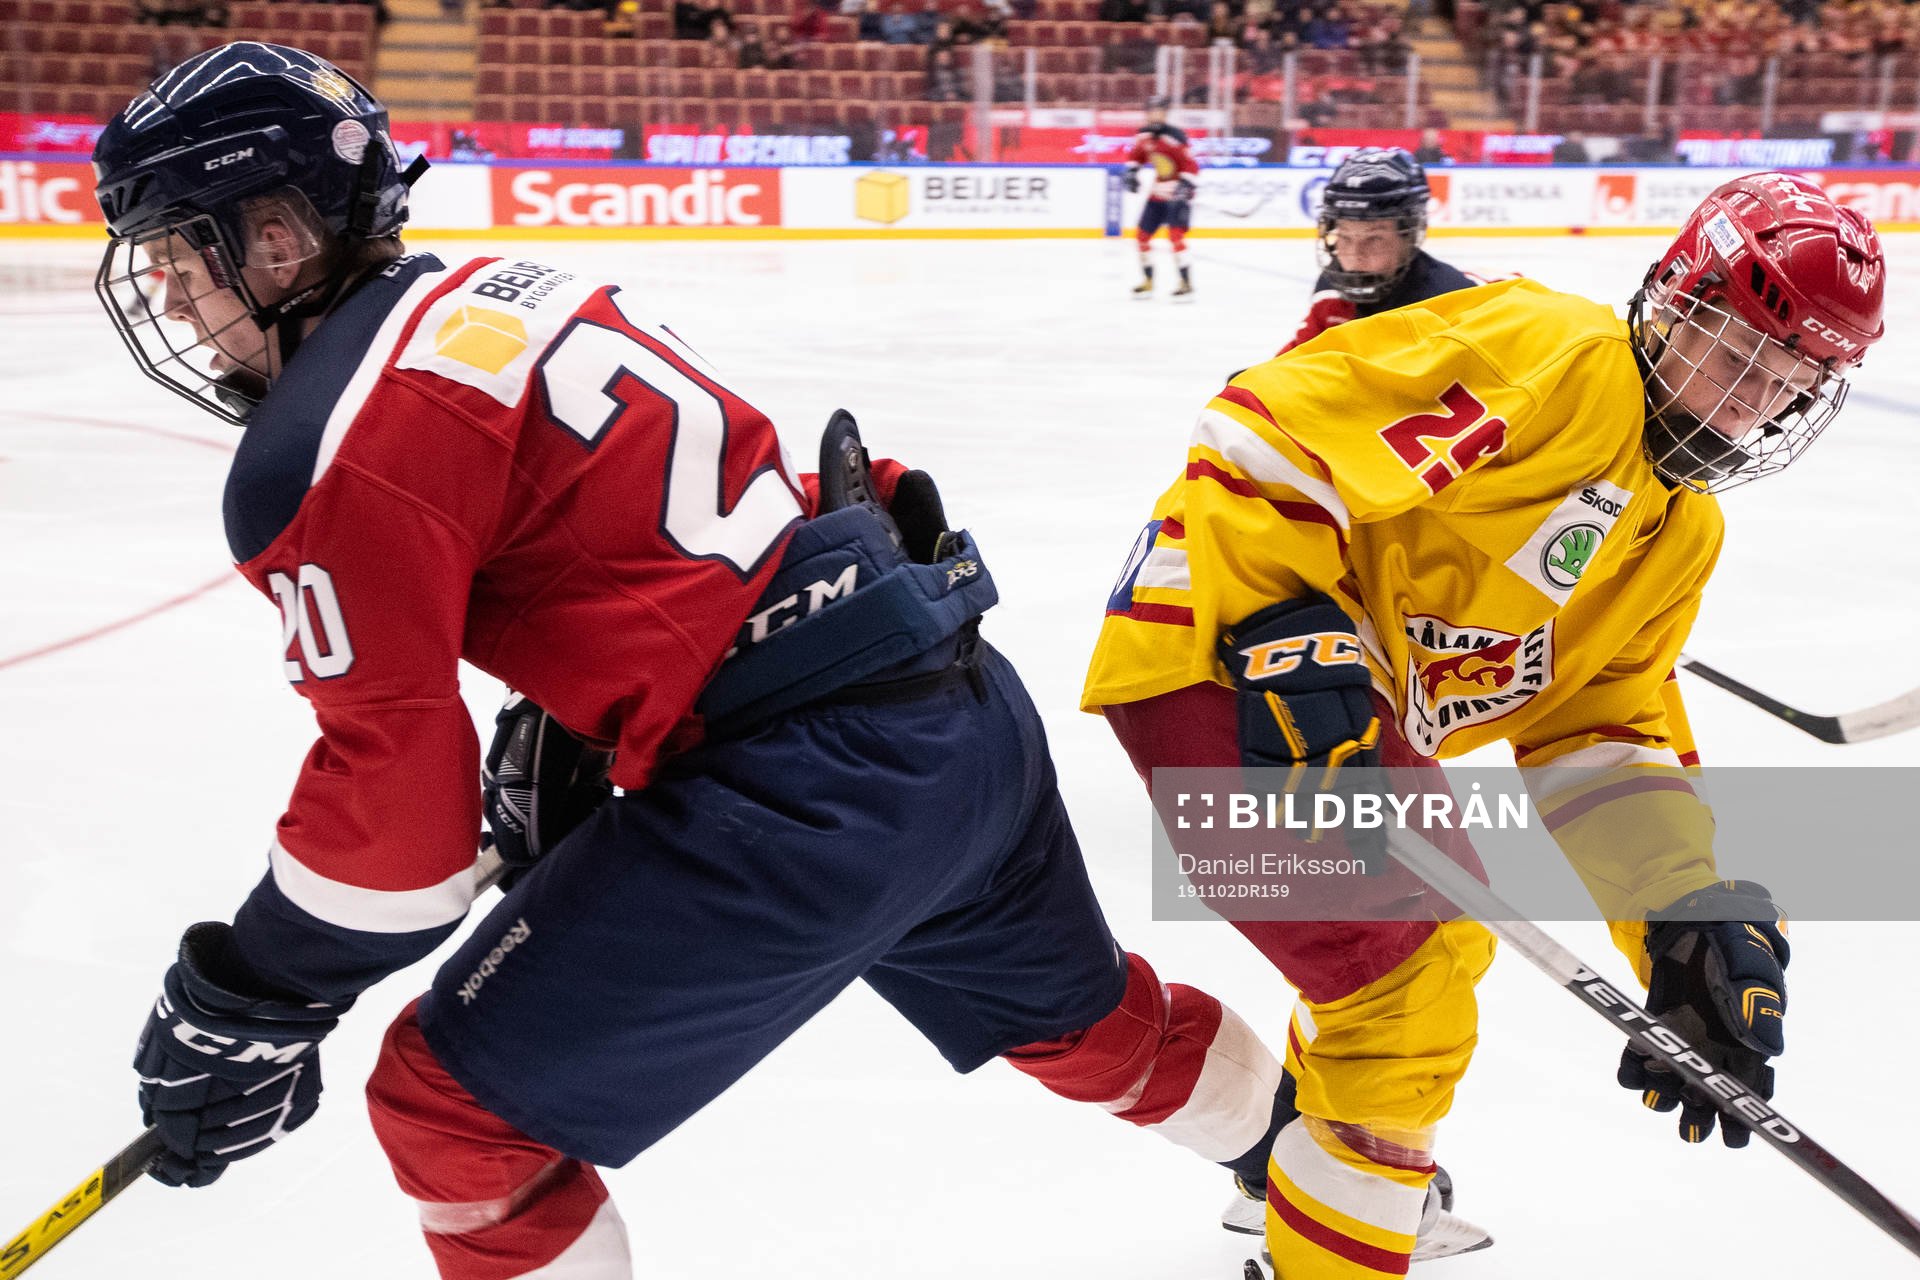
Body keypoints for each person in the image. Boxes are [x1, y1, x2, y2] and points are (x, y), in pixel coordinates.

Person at [93, 43, 1301, 1278]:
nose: (178, 301)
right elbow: (659, 544)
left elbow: (394, 841)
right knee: (1083, 1019)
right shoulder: (513, 288)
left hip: (810, 788)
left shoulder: (323, 448)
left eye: (183, 257)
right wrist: (574, 723)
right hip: (947, 698)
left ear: (280, 237)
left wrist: (249, 991)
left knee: (452, 1111)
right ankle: (1321, 1175)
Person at [1084, 170, 1884, 1278]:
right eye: (1742, 350)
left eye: (1796, 375)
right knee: (1415, 976)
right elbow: (1267, 433)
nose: (1757, 396)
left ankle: (1331, 1182)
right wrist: (1282, 627)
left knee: (1396, 977)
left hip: (1339, 700)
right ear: (1677, 299)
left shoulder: (1681, 530)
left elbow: (1601, 733)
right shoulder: (1554, 352)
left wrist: (1677, 913)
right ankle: (1335, 1231)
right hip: (1221, 652)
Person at [1277, 146, 1478, 354]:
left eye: (1374, 238)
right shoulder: (1330, 291)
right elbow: (1288, 367)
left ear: (1408, 237)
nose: (1355, 254)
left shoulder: (1448, 305)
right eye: (1344, 237)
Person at [1126, 95, 1199, 299]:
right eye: (1151, 110)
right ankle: (1148, 282)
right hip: (1157, 195)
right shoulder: (1144, 135)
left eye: (1159, 110)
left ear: (1165, 113)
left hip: (1177, 196)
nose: (1154, 114)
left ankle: (1186, 284)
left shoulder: (1176, 136)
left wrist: (1186, 184)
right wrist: (1131, 171)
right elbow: (1136, 156)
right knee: (1141, 238)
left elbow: (1190, 164)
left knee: (1175, 238)